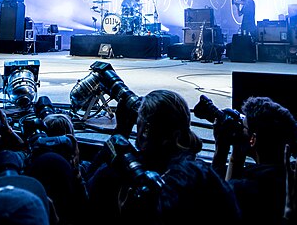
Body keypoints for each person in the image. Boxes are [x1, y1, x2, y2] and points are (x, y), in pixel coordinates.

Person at [86, 89, 242, 224]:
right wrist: (222, 149)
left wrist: (121, 130)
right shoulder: (197, 175)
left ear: (145, 130)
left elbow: (84, 200)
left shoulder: (114, 176)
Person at [211, 96, 297, 224]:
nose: (241, 130)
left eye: (244, 127)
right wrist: (237, 154)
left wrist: (221, 149)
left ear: (253, 139)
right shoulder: (294, 178)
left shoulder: (246, 188)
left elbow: (216, 208)